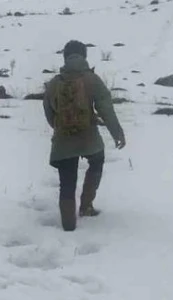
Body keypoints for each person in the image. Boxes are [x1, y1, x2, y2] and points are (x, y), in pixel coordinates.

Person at [43, 40, 126, 232]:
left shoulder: (54, 83)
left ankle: (68, 226)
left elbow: (49, 113)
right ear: (84, 56)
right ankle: (86, 206)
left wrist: (61, 129)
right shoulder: (92, 79)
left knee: (67, 181)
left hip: (63, 141)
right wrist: (117, 132)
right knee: (97, 161)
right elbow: (106, 108)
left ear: (65, 57)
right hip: (89, 137)